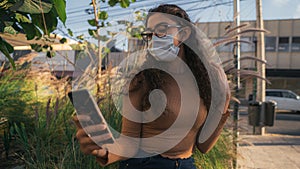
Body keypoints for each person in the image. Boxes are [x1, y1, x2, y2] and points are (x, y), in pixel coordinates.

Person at [73, 4, 230, 169]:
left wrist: (223, 100)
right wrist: (105, 150)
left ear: (183, 33)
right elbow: (129, 142)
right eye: (150, 33)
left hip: (187, 165)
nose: (155, 38)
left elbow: (203, 146)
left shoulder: (202, 82)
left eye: (162, 29)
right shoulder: (142, 80)